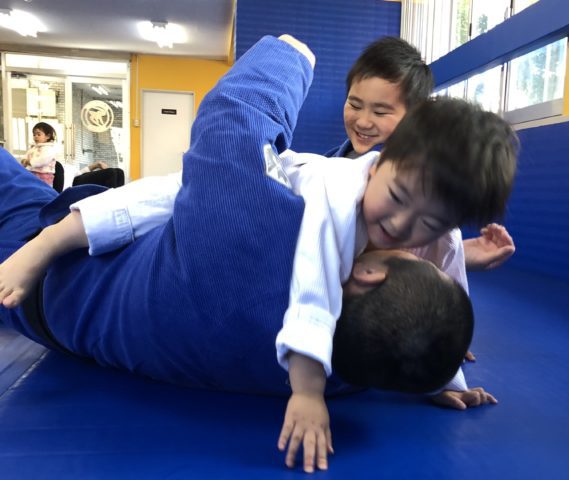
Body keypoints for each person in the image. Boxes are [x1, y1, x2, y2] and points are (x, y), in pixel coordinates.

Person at [0, 35, 511, 472]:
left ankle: (42, 239)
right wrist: (325, 390)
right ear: (378, 169)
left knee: (145, 201)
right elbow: (343, 292)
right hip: (250, 192)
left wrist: (440, 369)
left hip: (79, 281)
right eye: (358, 104)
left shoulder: (274, 233)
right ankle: (49, 242)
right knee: (146, 198)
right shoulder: (355, 361)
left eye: (428, 227)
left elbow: (423, 281)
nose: (402, 229)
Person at [328, 36, 516, 275]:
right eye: (355, 105)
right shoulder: (329, 178)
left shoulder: (447, 195)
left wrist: (454, 254)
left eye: (381, 112)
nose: (364, 122)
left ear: (414, 114)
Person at [20, 121, 61, 187]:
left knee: (43, 191)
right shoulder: (34, 147)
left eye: (39, 134)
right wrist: (23, 160)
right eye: (34, 135)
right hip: (31, 173)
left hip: (44, 176)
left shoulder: (49, 148)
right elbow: (27, 155)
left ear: (48, 136)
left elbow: (43, 160)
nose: (36, 136)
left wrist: (29, 162)